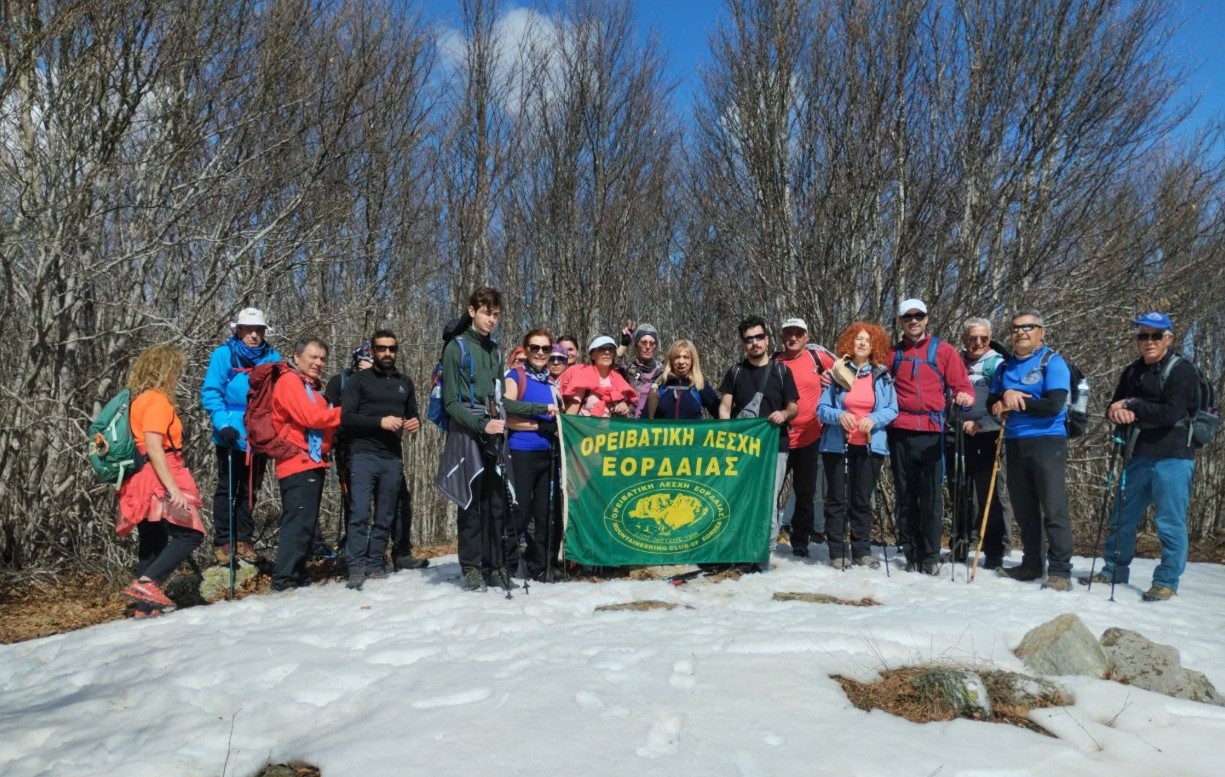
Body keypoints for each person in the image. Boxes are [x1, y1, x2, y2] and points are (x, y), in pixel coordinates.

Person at [436, 287, 557, 592]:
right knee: (472, 501)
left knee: (497, 502)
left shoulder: (495, 350)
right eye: (487, 312)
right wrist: (481, 424)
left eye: (496, 314)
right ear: (472, 310)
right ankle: (472, 567)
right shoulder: (456, 348)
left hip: (494, 430)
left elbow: (502, 400)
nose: (492, 320)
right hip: (467, 431)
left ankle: (495, 565)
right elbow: (450, 403)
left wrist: (541, 408)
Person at [1083, 312, 1200, 601]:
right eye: (1143, 335)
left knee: (1169, 522)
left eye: (1156, 335)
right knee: (1122, 516)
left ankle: (1166, 581)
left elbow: (1170, 413)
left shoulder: (1182, 371)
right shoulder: (1132, 371)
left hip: (1173, 456)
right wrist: (1116, 411)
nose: (1149, 341)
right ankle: (1113, 570)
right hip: (1137, 454)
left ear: (1169, 338)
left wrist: (1132, 404)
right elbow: (1114, 405)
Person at [117, 345, 206, 615]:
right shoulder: (157, 400)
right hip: (159, 473)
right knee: (190, 534)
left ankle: (145, 607)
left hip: (139, 477)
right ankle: (148, 583)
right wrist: (173, 488)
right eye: (176, 370)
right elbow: (155, 447)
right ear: (166, 370)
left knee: (152, 540)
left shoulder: (137, 400)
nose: (178, 376)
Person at [989, 310, 1074, 591]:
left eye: (1028, 327)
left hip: (1047, 440)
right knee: (1024, 507)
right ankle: (1032, 563)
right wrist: (1001, 399)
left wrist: (1015, 401)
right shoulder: (1004, 368)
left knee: (1053, 506)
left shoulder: (1052, 362)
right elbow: (993, 400)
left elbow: (1053, 404)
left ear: (1041, 332)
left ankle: (1060, 569)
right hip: (1014, 441)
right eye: (1015, 328)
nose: (1021, 332)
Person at [888, 299, 974, 574]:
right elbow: (871, 381)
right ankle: (911, 551)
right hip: (900, 430)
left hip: (932, 431)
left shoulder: (944, 351)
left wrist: (964, 397)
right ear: (901, 321)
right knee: (905, 494)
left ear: (926, 319)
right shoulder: (893, 354)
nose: (914, 321)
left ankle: (930, 554)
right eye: (908, 317)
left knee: (931, 496)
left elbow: (963, 386)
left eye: (918, 316)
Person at [340, 330, 424, 588]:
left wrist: (414, 423)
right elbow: (347, 417)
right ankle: (355, 565)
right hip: (363, 453)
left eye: (392, 348)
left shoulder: (404, 382)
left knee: (386, 514)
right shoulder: (359, 380)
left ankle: (375, 563)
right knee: (360, 511)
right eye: (381, 348)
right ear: (373, 351)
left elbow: (413, 414)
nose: (387, 353)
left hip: (392, 457)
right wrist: (380, 422)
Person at [200, 307, 282, 564]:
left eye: (258, 330)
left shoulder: (273, 357)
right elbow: (212, 392)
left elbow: (279, 393)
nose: (254, 335)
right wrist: (223, 424)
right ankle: (224, 541)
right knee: (228, 488)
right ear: (238, 330)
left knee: (251, 488)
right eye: (248, 330)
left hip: (260, 431)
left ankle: (244, 539)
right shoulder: (224, 354)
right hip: (230, 432)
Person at [817, 323, 898, 568]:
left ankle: (862, 551)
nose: (862, 343)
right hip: (837, 445)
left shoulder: (881, 375)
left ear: (874, 346)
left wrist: (872, 419)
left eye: (867, 340)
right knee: (837, 499)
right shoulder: (837, 373)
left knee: (862, 500)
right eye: (858, 339)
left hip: (870, 446)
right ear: (849, 343)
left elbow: (892, 409)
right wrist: (839, 416)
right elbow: (821, 410)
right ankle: (837, 551)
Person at [718, 316, 799, 559]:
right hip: (742, 447)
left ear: (767, 338)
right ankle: (741, 543)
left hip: (775, 445)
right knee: (741, 495)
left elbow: (794, 407)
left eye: (759, 337)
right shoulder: (735, 372)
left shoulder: (781, 371)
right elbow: (725, 407)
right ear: (743, 343)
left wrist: (784, 414)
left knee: (768, 497)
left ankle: (766, 548)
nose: (755, 343)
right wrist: (726, 435)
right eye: (749, 339)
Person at [269, 338, 341, 592]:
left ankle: (296, 574)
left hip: (311, 461)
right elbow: (311, 417)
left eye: (322, 358)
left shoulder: (308, 386)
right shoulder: (290, 381)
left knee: (306, 522)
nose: (318, 363)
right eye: (313, 357)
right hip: (296, 461)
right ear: (297, 357)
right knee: (298, 521)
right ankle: (284, 579)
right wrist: (344, 412)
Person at [947, 318, 1012, 569]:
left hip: (988, 434)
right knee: (960, 491)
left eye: (983, 338)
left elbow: (1003, 402)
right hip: (957, 433)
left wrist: (981, 424)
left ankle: (995, 550)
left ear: (990, 338)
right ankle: (961, 545)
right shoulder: (956, 361)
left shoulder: (998, 363)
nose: (977, 343)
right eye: (972, 338)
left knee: (991, 492)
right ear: (964, 339)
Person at [773, 317, 835, 557]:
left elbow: (850, 375)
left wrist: (830, 381)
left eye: (798, 333)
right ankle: (766, 537)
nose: (793, 337)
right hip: (778, 438)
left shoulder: (817, 358)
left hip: (809, 437)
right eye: (788, 333)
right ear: (781, 336)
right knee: (771, 491)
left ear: (806, 337)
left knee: (805, 492)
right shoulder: (773, 362)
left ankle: (800, 542)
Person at [505, 329, 563, 581]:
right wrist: (539, 421)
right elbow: (506, 409)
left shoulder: (549, 382)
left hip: (547, 454)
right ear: (526, 349)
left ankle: (540, 566)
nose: (540, 353)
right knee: (521, 511)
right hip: (521, 453)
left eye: (545, 349)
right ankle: (504, 563)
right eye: (535, 348)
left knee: (544, 513)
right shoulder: (515, 376)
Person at [323, 342, 374, 556]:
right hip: (346, 447)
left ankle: (375, 546)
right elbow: (326, 414)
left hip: (375, 447)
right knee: (352, 498)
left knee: (381, 498)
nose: (368, 364)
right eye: (364, 359)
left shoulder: (382, 382)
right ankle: (353, 545)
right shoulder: (339, 382)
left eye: (372, 360)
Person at [560, 336, 637, 417]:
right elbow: (571, 413)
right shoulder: (583, 378)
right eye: (601, 349)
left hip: (610, 429)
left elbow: (625, 417)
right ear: (593, 355)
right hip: (584, 427)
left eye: (610, 349)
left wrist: (624, 407)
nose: (607, 352)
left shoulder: (619, 380)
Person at [647, 339, 721, 420]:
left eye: (686, 357)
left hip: (694, 433)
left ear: (692, 360)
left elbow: (721, 413)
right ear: (671, 360)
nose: (681, 361)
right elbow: (645, 420)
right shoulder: (659, 384)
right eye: (677, 357)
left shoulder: (699, 384)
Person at [616, 321, 664, 418]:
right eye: (643, 342)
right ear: (637, 344)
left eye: (652, 343)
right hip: (629, 426)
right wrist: (624, 344)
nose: (647, 347)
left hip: (652, 427)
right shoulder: (627, 369)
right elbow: (608, 368)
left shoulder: (662, 372)